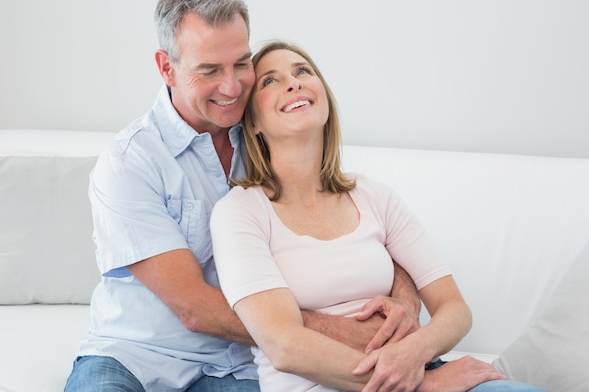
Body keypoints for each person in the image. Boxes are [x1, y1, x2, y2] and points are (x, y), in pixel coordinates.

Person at [63, 0, 424, 392]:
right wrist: (339, 330)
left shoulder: (267, 134)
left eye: (241, 63)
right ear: (167, 67)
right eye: (209, 71)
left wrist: (405, 303)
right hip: (135, 358)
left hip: (242, 365)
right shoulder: (129, 163)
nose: (232, 88)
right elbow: (195, 309)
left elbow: (354, 225)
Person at [210, 41, 549, 392]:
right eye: (270, 81)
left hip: (414, 367)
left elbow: (454, 309)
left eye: (302, 72)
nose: (293, 83)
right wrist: (424, 385)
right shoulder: (240, 212)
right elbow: (285, 347)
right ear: (253, 124)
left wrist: (418, 352)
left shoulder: (373, 195)